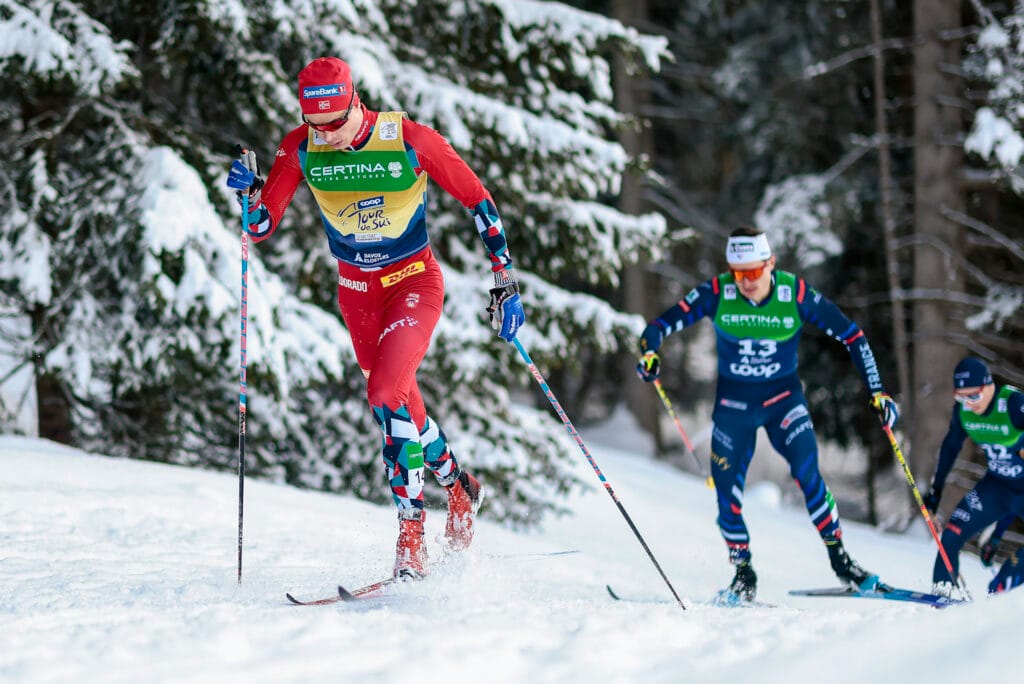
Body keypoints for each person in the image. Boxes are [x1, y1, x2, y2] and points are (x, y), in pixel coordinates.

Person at [225, 57, 526, 579]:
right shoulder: (300, 146)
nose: (329, 137)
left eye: (336, 124)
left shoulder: (407, 138)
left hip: (413, 282)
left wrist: (505, 279)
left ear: (355, 101)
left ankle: (411, 539)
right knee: (400, 405)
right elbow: (262, 223)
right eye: (317, 126)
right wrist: (247, 194)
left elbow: (477, 198)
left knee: (386, 393)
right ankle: (459, 488)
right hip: (356, 294)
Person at [635, 227, 898, 602]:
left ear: (771, 263)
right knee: (726, 494)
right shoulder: (717, 292)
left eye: (754, 272)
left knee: (808, 475)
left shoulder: (795, 293)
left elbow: (852, 335)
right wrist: (650, 353)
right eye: (738, 273)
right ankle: (744, 574)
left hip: (784, 403)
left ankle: (843, 563)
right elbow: (657, 326)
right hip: (734, 407)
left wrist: (878, 391)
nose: (745, 282)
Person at [923, 357, 1024, 598]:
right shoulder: (964, 413)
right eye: (961, 397)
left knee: (1001, 587)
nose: (968, 403)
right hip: (997, 487)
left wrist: (997, 535)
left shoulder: (1013, 404)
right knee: (950, 537)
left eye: (974, 396)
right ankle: (943, 598)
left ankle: (1000, 609)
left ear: (989, 386)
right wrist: (936, 492)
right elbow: (950, 448)